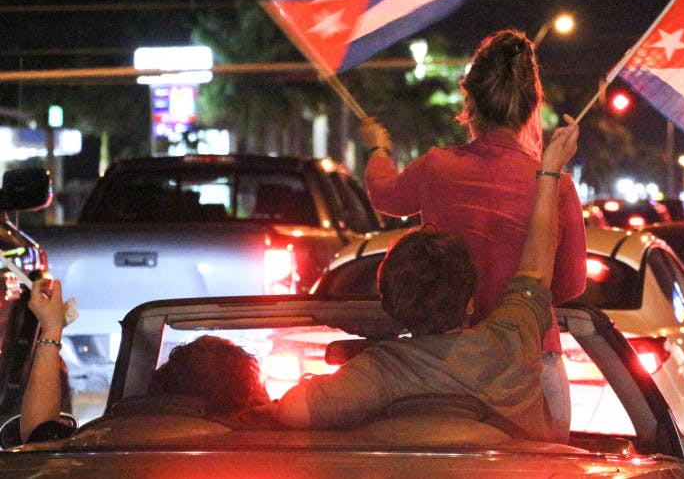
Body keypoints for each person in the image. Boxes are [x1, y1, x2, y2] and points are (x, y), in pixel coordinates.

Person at [278, 117, 580, 442]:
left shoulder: (379, 371)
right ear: (470, 300)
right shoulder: (509, 344)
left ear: (392, 303)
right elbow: (536, 269)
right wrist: (549, 171)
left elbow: (291, 410)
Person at [359, 29, 586, 440]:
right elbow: (568, 284)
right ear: (532, 107)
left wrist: (377, 148)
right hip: (533, 361)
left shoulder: (437, 167)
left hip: (444, 362)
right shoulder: (555, 185)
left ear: (470, 103)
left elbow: (384, 194)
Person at [18, 274, 273, 444]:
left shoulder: (101, 442)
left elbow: (38, 436)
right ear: (246, 401)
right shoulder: (268, 450)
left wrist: (51, 329)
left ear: (160, 386)